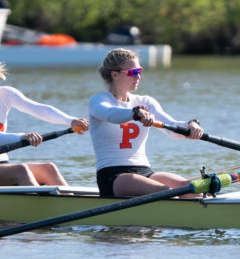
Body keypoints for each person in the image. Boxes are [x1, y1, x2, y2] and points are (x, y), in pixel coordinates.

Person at [0, 47, 88, 187]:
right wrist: (22, 137)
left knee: (49, 168)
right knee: (21, 170)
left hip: (3, 167)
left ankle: (68, 201)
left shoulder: (5, 94)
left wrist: (70, 120)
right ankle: (45, 207)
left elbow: (39, 109)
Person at [88, 48, 205, 198]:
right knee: (166, 191)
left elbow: (171, 128)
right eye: (133, 72)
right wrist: (134, 113)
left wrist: (191, 125)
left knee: (191, 189)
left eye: (140, 71)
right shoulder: (98, 101)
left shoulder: (145, 102)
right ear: (115, 74)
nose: (138, 77)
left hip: (145, 172)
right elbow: (111, 115)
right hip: (113, 176)